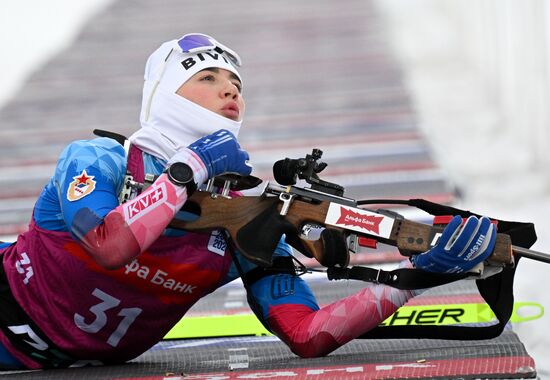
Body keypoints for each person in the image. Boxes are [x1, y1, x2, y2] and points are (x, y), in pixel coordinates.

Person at [0, 33, 497, 370]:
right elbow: (109, 245)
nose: (230, 92)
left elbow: (308, 335)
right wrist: (188, 168)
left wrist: (413, 279)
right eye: (208, 80)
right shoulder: (98, 159)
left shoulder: (246, 220)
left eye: (236, 85)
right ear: (165, 96)